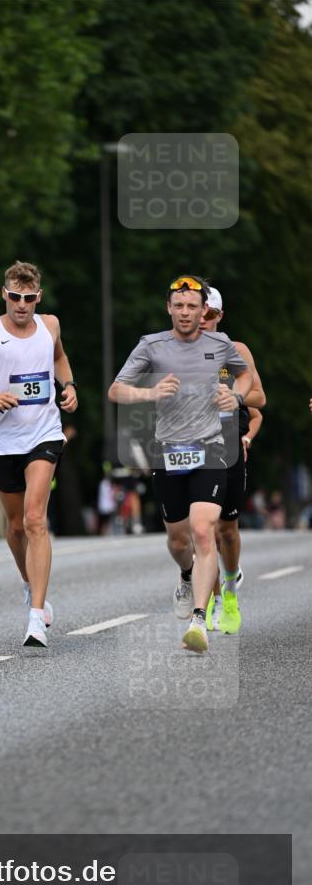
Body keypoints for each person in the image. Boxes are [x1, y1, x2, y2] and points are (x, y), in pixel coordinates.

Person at [108, 274, 253, 653]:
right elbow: (116, 389)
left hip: (211, 450)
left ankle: (199, 620)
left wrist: (235, 397)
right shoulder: (151, 346)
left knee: (205, 531)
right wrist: (151, 392)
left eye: (193, 307)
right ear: (168, 308)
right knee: (178, 539)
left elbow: (248, 378)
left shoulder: (220, 344)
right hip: (169, 452)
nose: (186, 313)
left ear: (203, 310)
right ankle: (186, 574)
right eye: (179, 306)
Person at [0, 260, 78, 647]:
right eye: (15, 297)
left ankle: (36, 617)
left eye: (29, 298)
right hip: (3, 441)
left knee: (36, 519)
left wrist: (68, 384)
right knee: (17, 525)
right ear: (4, 295)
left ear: (38, 297)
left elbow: (58, 357)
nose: (22, 305)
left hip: (44, 433)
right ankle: (29, 583)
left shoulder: (50, 325)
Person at [200, 287, 266, 634]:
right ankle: (209, 603)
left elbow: (259, 398)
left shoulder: (236, 351)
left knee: (227, 529)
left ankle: (229, 585)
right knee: (203, 529)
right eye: (198, 313)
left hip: (228, 446)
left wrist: (233, 395)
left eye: (209, 315)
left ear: (219, 317)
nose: (202, 320)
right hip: (195, 446)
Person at [97, 462, 117, 535]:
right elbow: (108, 495)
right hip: (106, 506)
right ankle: (105, 532)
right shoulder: (104, 484)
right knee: (106, 520)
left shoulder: (105, 483)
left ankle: (106, 532)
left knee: (107, 520)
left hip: (106, 505)